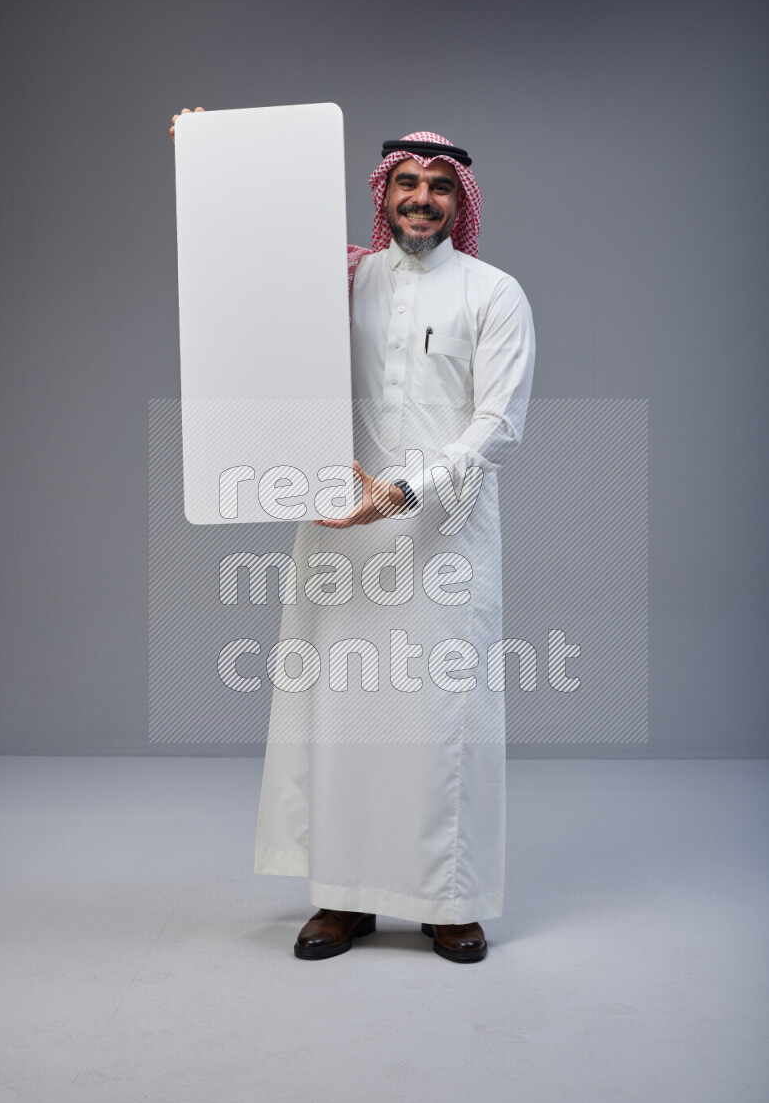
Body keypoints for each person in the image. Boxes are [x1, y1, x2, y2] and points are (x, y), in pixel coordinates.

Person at [170, 111, 536, 963]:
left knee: (444, 715)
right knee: (338, 716)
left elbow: (501, 427)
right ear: (385, 192)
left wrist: (405, 490)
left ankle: (450, 899)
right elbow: (240, 275)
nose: (422, 198)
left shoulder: (494, 293)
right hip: (342, 529)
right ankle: (343, 898)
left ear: (460, 200)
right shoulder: (339, 278)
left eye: (440, 186)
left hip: (442, 536)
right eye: (407, 183)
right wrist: (203, 158)